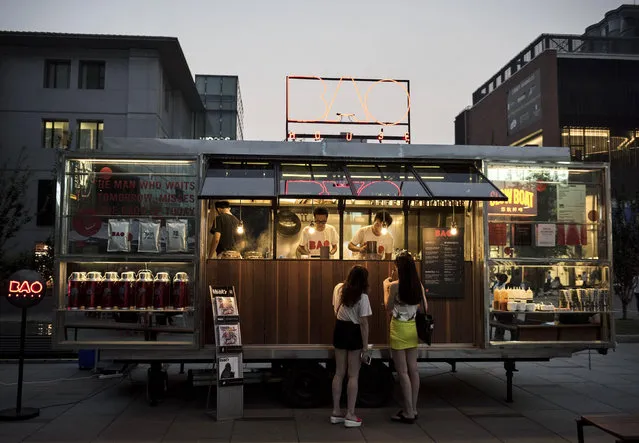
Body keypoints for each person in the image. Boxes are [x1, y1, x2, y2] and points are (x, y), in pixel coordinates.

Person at [383, 252, 427, 424]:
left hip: (399, 328)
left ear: (399, 268)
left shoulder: (395, 286)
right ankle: (413, 408)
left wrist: (384, 287)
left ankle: (408, 412)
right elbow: (424, 307)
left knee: (402, 373)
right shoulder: (418, 285)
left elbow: (388, 307)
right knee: (413, 370)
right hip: (412, 328)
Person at [331, 265, 372, 428]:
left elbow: (335, 311)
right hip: (354, 332)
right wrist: (366, 347)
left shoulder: (339, 289)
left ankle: (336, 412)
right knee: (353, 375)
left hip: (339, 329)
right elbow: (364, 324)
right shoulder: (363, 297)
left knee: (339, 373)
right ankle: (350, 414)